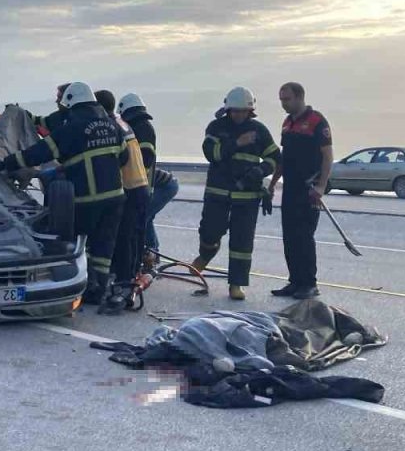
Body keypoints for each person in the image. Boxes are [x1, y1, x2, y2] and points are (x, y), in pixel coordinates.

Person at [0, 82, 126, 304]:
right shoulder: (112, 126)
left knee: (76, 243)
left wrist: (7, 162)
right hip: (116, 197)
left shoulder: (72, 127)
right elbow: (124, 158)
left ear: (71, 103)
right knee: (104, 246)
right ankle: (99, 290)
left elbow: (39, 153)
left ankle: (77, 286)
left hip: (87, 199)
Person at [192, 87, 282, 301]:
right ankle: (205, 256)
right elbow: (211, 153)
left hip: (248, 197)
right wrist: (237, 143)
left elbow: (275, 158)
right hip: (218, 193)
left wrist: (261, 170)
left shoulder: (259, 130)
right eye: (235, 111)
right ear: (227, 109)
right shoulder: (216, 127)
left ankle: (236, 284)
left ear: (250, 110)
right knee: (210, 232)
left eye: (243, 111)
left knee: (242, 242)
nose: (238, 115)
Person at [269, 82, 332, 299]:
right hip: (291, 188)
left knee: (304, 236)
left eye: (286, 99)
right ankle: (295, 281)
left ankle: (309, 283)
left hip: (309, 189)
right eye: (281, 100)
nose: (283, 104)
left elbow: (327, 156)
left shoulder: (317, 121)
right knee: (290, 237)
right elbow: (283, 159)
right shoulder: (287, 123)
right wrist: (272, 184)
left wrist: (322, 186)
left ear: (299, 97)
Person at [95, 90, 150, 314]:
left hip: (128, 187)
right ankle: (128, 278)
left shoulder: (110, 126)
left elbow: (119, 157)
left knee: (123, 238)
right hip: (140, 186)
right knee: (133, 237)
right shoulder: (121, 122)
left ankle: (124, 283)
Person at [117, 93, 180, 265]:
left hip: (163, 186)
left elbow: (145, 158)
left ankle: (151, 253)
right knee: (145, 216)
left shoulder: (142, 128)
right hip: (158, 184)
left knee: (141, 217)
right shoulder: (140, 126)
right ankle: (151, 252)